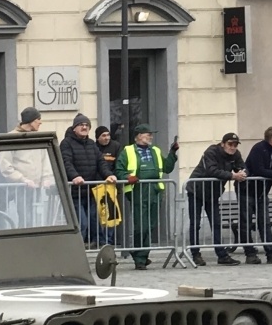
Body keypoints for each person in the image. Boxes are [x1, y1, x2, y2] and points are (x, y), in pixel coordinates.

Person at [119, 125, 178, 269]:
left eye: (151, 134)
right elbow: (119, 170)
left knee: (150, 226)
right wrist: (127, 177)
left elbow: (167, 168)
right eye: (148, 134)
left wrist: (172, 152)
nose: (151, 136)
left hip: (154, 190)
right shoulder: (127, 151)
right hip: (137, 190)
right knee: (141, 226)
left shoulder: (156, 151)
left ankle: (141, 255)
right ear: (138, 135)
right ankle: (140, 258)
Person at [186, 133, 247, 266]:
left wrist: (243, 173)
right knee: (195, 224)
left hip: (213, 193)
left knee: (216, 223)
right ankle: (196, 254)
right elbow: (212, 170)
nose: (233, 147)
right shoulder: (211, 151)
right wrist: (233, 175)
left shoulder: (235, 155)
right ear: (223, 144)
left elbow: (242, 166)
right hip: (196, 190)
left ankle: (222, 255)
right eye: (230, 144)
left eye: (235, 145)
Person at [60, 114, 113, 248]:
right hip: (75, 192)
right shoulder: (66, 143)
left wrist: (108, 175)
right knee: (81, 223)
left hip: (91, 191)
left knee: (95, 221)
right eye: (81, 125)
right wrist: (75, 176)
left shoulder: (91, 144)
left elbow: (100, 162)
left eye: (87, 125)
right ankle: (75, 251)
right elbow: (66, 162)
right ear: (74, 128)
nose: (84, 127)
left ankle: (96, 248)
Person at [243, 126, 272, 264]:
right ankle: (250, 253)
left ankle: (271, 253)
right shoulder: (258, 148)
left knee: (265, 222)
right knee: (246, 223)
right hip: (247, 190)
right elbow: (258, 170)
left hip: (263, 192)